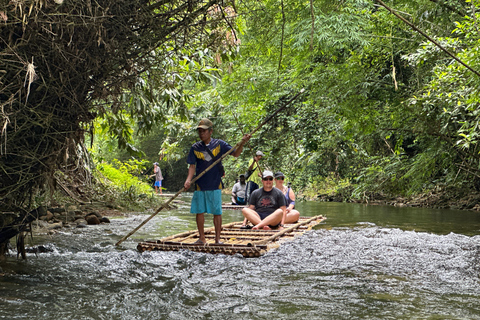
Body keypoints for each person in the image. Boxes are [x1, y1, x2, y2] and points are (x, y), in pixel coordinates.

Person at [184, 118, 250, 244]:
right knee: (199, 211)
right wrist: (188, 180)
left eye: (204, 131)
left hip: (215, 183)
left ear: (210, 131)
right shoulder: (195, 147)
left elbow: (235, 154)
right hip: (200, 185)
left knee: (217, 212)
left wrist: (242, 143)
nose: (201, 133)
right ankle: (202, 238)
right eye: (200, 131)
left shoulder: (219, 144)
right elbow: (192, 166)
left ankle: (217, 239)